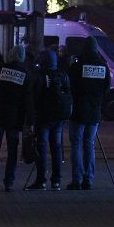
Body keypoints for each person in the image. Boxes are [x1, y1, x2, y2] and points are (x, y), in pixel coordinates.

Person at [0, 44, 35, 192]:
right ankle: (9, 182)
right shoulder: (25, 74)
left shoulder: (0, 68)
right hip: (14, 119)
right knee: (12, 152)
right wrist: (31, 122)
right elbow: (28, 101)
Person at [67, 37, 110, 190]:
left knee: (76, 145)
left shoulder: (77, 66)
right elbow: (106, 89)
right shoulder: (103, 67)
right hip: (94, 112)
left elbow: (70, 86)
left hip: (78, 111)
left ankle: (76, 180)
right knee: (89, 144)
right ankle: (88, 179)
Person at [27, 47, 72, 190]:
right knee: (56, 148)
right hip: (58, 117)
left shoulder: (40, 75)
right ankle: (56, 181)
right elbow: (68, 93)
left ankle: (41, 180)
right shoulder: (63, 75)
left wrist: (31, 119)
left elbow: (34, 98)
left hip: (43, 118)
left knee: (42, 148)